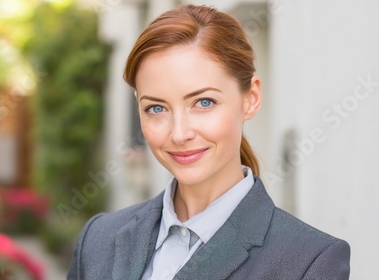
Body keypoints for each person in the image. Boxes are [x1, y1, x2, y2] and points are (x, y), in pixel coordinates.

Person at [67, 4, 350, 280]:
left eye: (204, 102)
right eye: (156, 108)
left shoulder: (309, 262)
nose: (179, 134)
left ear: (250, 98)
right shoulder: (98, 240)